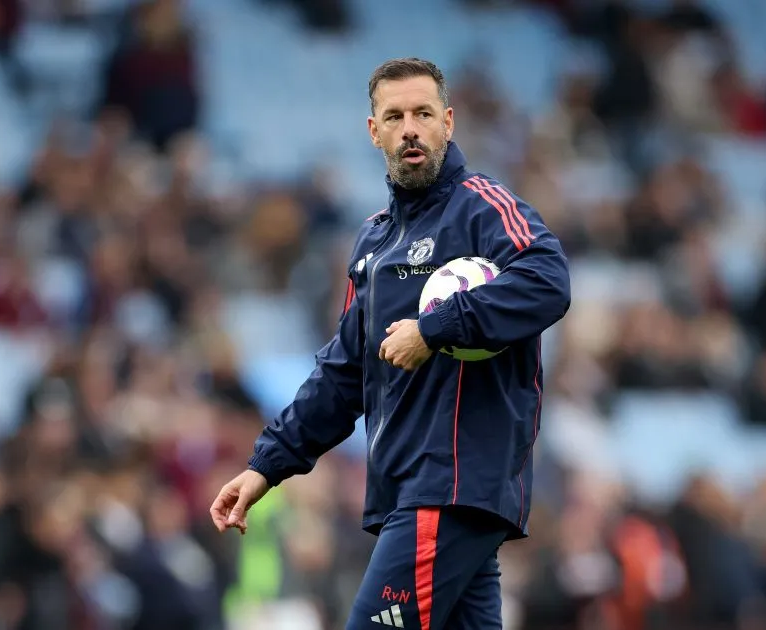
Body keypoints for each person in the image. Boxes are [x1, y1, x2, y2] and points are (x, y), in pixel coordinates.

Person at [210, 57, 572, 629]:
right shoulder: (375, 243)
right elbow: (342, 373)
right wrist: (265, 467)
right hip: (412, 492)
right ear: (373, 130)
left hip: (450, 486)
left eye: (424, 113)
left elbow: (547, 281)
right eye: (395, 115)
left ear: (448, 123)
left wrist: (435, 329)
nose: (411, 128)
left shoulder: (483, 208)